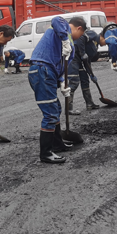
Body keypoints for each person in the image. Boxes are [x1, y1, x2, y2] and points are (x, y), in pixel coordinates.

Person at [29, 16, 85, 163]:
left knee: (56, 109)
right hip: (42, 70)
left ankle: (57, 144)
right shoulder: (63, 28)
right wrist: (65, 40)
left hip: (49, 73)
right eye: (81, 34)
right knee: (50, 113)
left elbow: (60, 66)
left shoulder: (68, 43)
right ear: (79, 28)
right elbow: (56, 19)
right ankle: (46, 153)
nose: (79, 37)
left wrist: (62, 82)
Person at [67, 29, 101, 115]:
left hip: (80, 59)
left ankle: (89, 104)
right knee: (73, 82)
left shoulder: (94, 45)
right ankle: (69, 109)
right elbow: (81, 38)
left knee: (85, 79)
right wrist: (82, 53)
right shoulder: (93, 34)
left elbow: (87, 62)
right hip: (72, 57)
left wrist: (91, 74)